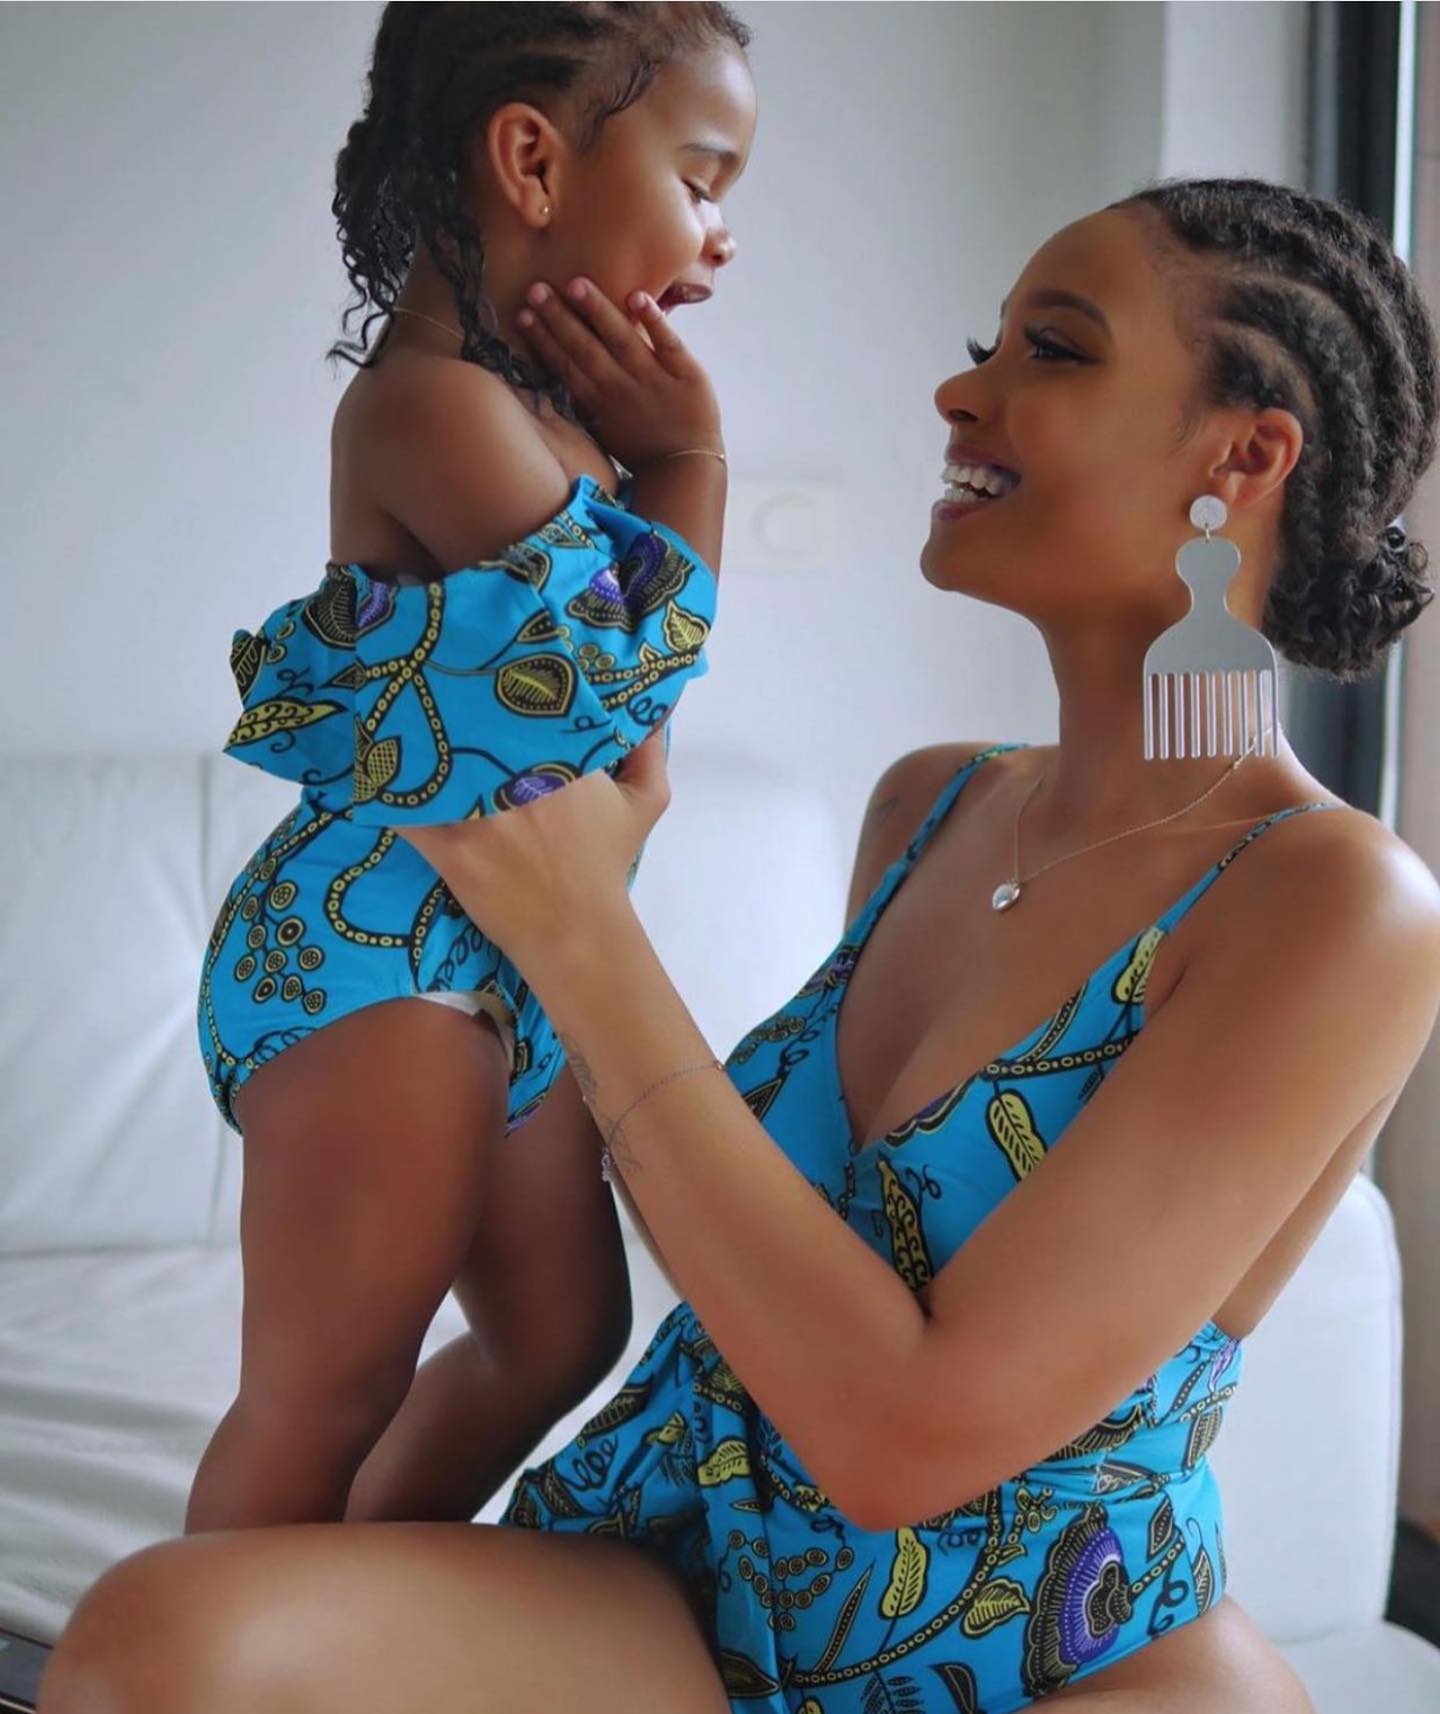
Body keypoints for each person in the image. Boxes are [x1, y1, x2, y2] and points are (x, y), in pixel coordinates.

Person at [43, 178, 1440, 1713]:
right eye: (985, 342)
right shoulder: (932, 804)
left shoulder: (1335, 902)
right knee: (157, 1641)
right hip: (687, 1581)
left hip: (1059, 1668)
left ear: (1244, 457)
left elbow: (904, 1438)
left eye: (1051, 348)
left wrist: (581, 928)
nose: (961, 390)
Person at [188, 0, 757, 1532]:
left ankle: (360, 1588)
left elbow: (623, 708)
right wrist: (690, 464)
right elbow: (615, 671)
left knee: (560, 1333)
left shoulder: (545, 419)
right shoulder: (428, 403)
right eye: (703, 180)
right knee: (328, 1387)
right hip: (377, 952)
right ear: (531, 160)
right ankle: (198, 1643)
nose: (721, 236)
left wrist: (647, 493)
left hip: (502, 948)